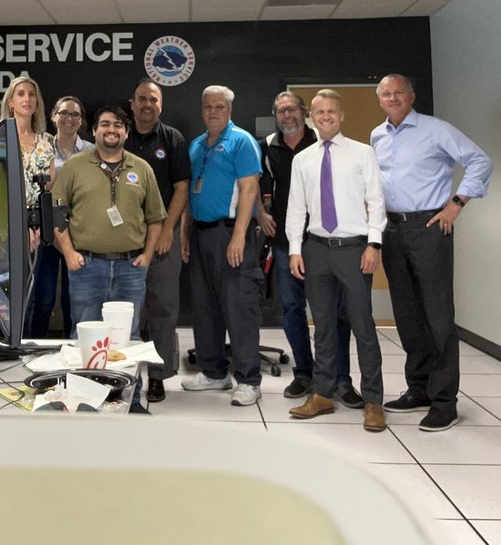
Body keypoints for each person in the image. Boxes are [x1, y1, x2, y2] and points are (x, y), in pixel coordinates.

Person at [371, 74, 493, 432]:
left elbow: (480, 161)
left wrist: (456, 203)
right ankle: (419, 388)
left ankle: (444, 401)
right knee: (407, 315)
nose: (393, 98)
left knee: (437, 314)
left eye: (398, 93)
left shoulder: (436, 129)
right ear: (380, 100)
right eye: (386, 94)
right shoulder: (377, 136)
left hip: (429, 227)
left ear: (411, 96)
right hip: (392, 229)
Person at [285, 90, 387, 433]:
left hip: (355, 250)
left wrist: (374, 244)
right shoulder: (304, 159)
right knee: (323, 326)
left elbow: (376, 200)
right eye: (319, 111)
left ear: (341, 115)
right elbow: (296, 207)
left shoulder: (362, 153)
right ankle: (323, 393)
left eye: (331, 111)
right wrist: (296, 249)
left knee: (362, 325)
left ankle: (373, 400)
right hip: (316, 251)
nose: (325, 116)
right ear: (311, 116)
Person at [259, 91, 362, 407]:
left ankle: (341, 379)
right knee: (291, 309)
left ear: (304, 113)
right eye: (280, 110)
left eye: (291, 109)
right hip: (284, 242)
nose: (286, 115)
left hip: (323, 241)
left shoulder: (321, 144)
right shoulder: (267, 146)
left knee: (334, 312)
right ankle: (304, 372)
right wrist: (262, 213)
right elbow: (264, 187)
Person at [180, 85, 264, 407]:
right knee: (205, 307)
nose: (213, 111)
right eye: (207, 107)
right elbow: (189, 192)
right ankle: (214, 372)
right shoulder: (197, 145)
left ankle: (249, 379)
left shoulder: (241, 141)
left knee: (238, 307)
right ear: (201, 110)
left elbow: (249, 189)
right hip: (200, 234)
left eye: (219, 106)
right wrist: (185, 233)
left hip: (229, 234)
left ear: (229, 109)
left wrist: (240, 235)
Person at [53, 105, 165, 333]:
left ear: (126, 132)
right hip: (86, 268)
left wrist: (147, 255)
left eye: (118, 125)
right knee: (85, 335)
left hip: (131, 269)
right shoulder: (74, 166)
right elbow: (56, 213)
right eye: (105, 124)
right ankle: (85, 372)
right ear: (94, 131)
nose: (111, 129)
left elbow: (155, 218)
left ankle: (121, 372)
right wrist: (69, 254)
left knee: (126, 337)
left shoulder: (142, 168)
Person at [125, 79, 191, 403]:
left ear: (160, 105)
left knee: (163, 309)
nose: (147, 104)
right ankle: (128, 374)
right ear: (132, 103)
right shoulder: (119, 136)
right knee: (131, 313)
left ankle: (158, 376)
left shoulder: (173, 139)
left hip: (164, 239)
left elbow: (181, 187)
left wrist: (168, 229)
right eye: (141, 99)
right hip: (126, 239)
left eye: (153, 99)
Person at [25, 96, 94, 338]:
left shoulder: (91, 151)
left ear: (81, 121)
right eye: (64, 113)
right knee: (43, 299)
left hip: (77, 234)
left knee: (71, 300)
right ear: (54, 116)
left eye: (75, 114)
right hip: (46, 232)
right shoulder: (41, 147)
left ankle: (72, 352)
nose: (69, 119)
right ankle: (34, 349)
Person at [0, 74, 55, 259]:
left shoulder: (47, 141)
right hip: (6, 226)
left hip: (41, 228)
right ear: (10, 102)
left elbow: (50, 187)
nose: (27, 98)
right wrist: (20, 225)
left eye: (32, 94)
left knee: (41, 286)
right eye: (21, 94)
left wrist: (39, 225)